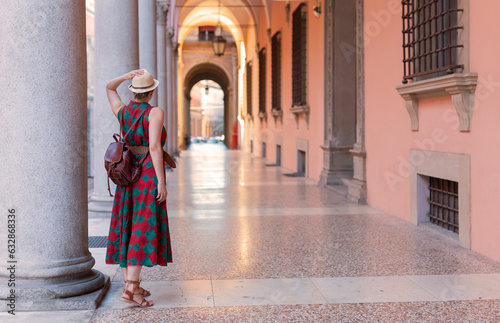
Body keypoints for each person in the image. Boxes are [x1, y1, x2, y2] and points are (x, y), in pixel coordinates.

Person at [104, 69, 172, 308]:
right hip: (146, 176)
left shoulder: (122, 111)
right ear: (152, 91)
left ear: (133, 92)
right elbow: (154, 146)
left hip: (127, 174)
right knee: (142, 227)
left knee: (127, 224)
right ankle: (131, 288)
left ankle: (130, 284)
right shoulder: (155, 112)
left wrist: (123, 77)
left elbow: (109, 88)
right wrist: (161, 181)